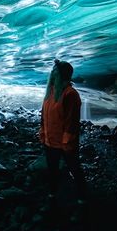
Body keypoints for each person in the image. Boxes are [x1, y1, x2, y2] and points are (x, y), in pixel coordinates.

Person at [39, 59, 87, 204]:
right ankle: (52, 194)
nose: (52, 74)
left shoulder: (70, 94)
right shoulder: (51, 91)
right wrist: (42, 133)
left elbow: (71, 121)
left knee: (75, 169)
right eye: (52, 72)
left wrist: (67, 143)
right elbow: (44, 115)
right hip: (50, 140)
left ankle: (82, 197)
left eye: (55, 72)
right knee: (52, 169)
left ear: (63, 75)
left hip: (65, 143)